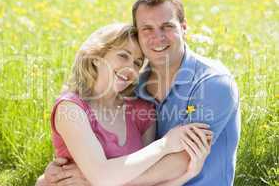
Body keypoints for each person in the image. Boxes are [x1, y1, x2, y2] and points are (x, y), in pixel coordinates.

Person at [35, 23, 213, 186]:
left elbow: (147, 182)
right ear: (96, 57)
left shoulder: (142, 112)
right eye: (123, 56)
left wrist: (188, 174)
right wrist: (165, 144)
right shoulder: (71, 109)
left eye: (137, 63)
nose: (130, 68)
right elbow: (103, 178)